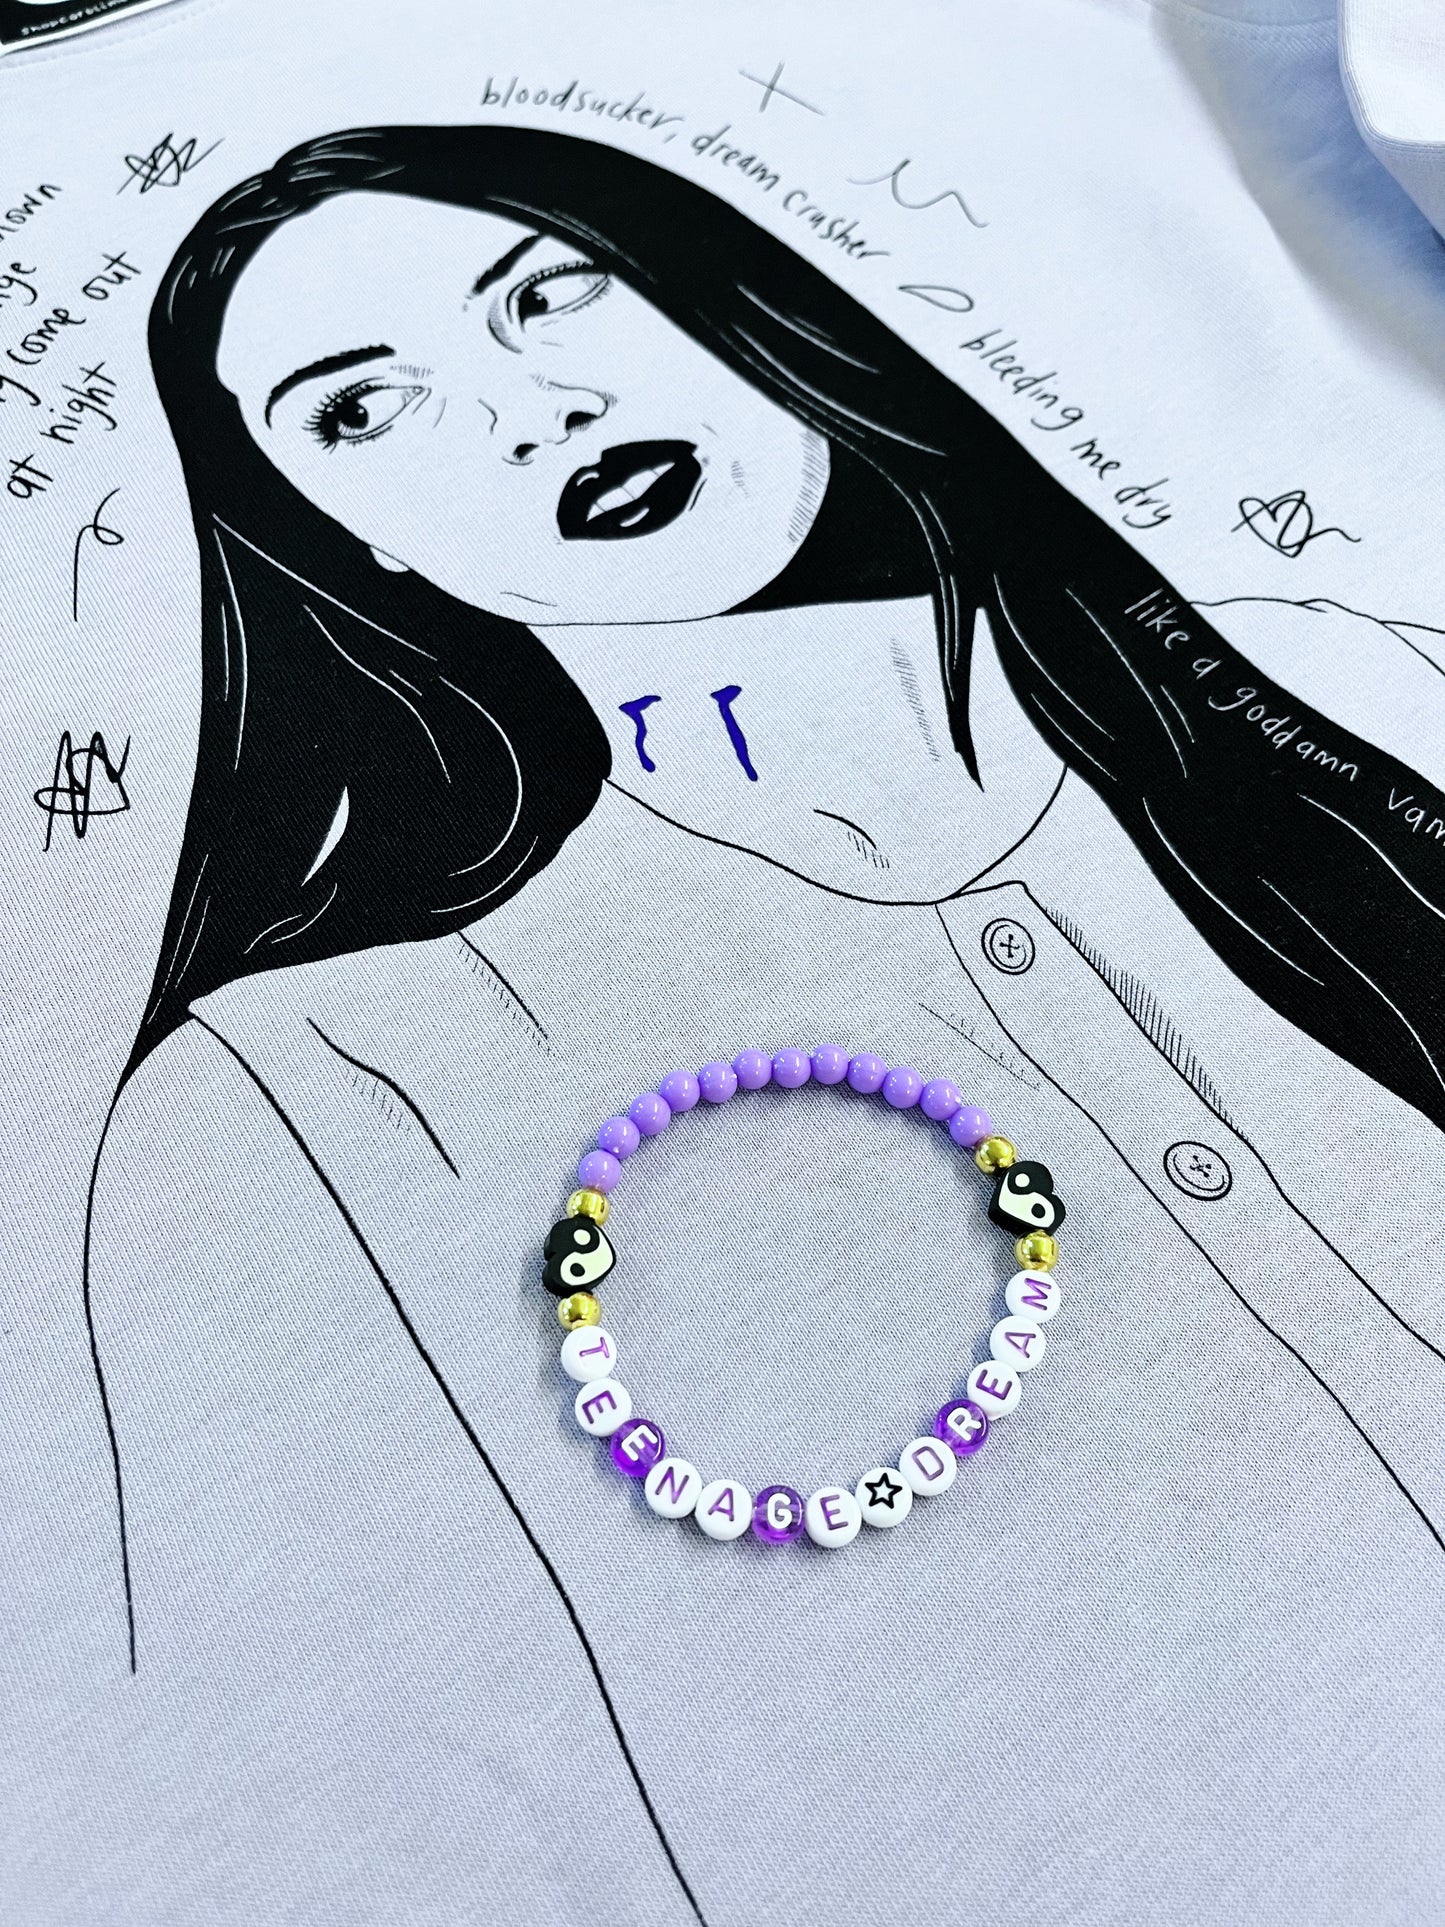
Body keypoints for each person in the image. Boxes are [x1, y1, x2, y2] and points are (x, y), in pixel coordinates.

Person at [86, 123, 1445, 1925]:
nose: (533, 411)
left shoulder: (1336, 675)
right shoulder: (304, 1098)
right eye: (361, 410)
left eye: (551, 296)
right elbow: (327, 1802)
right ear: (349, 545)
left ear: (730, 298)